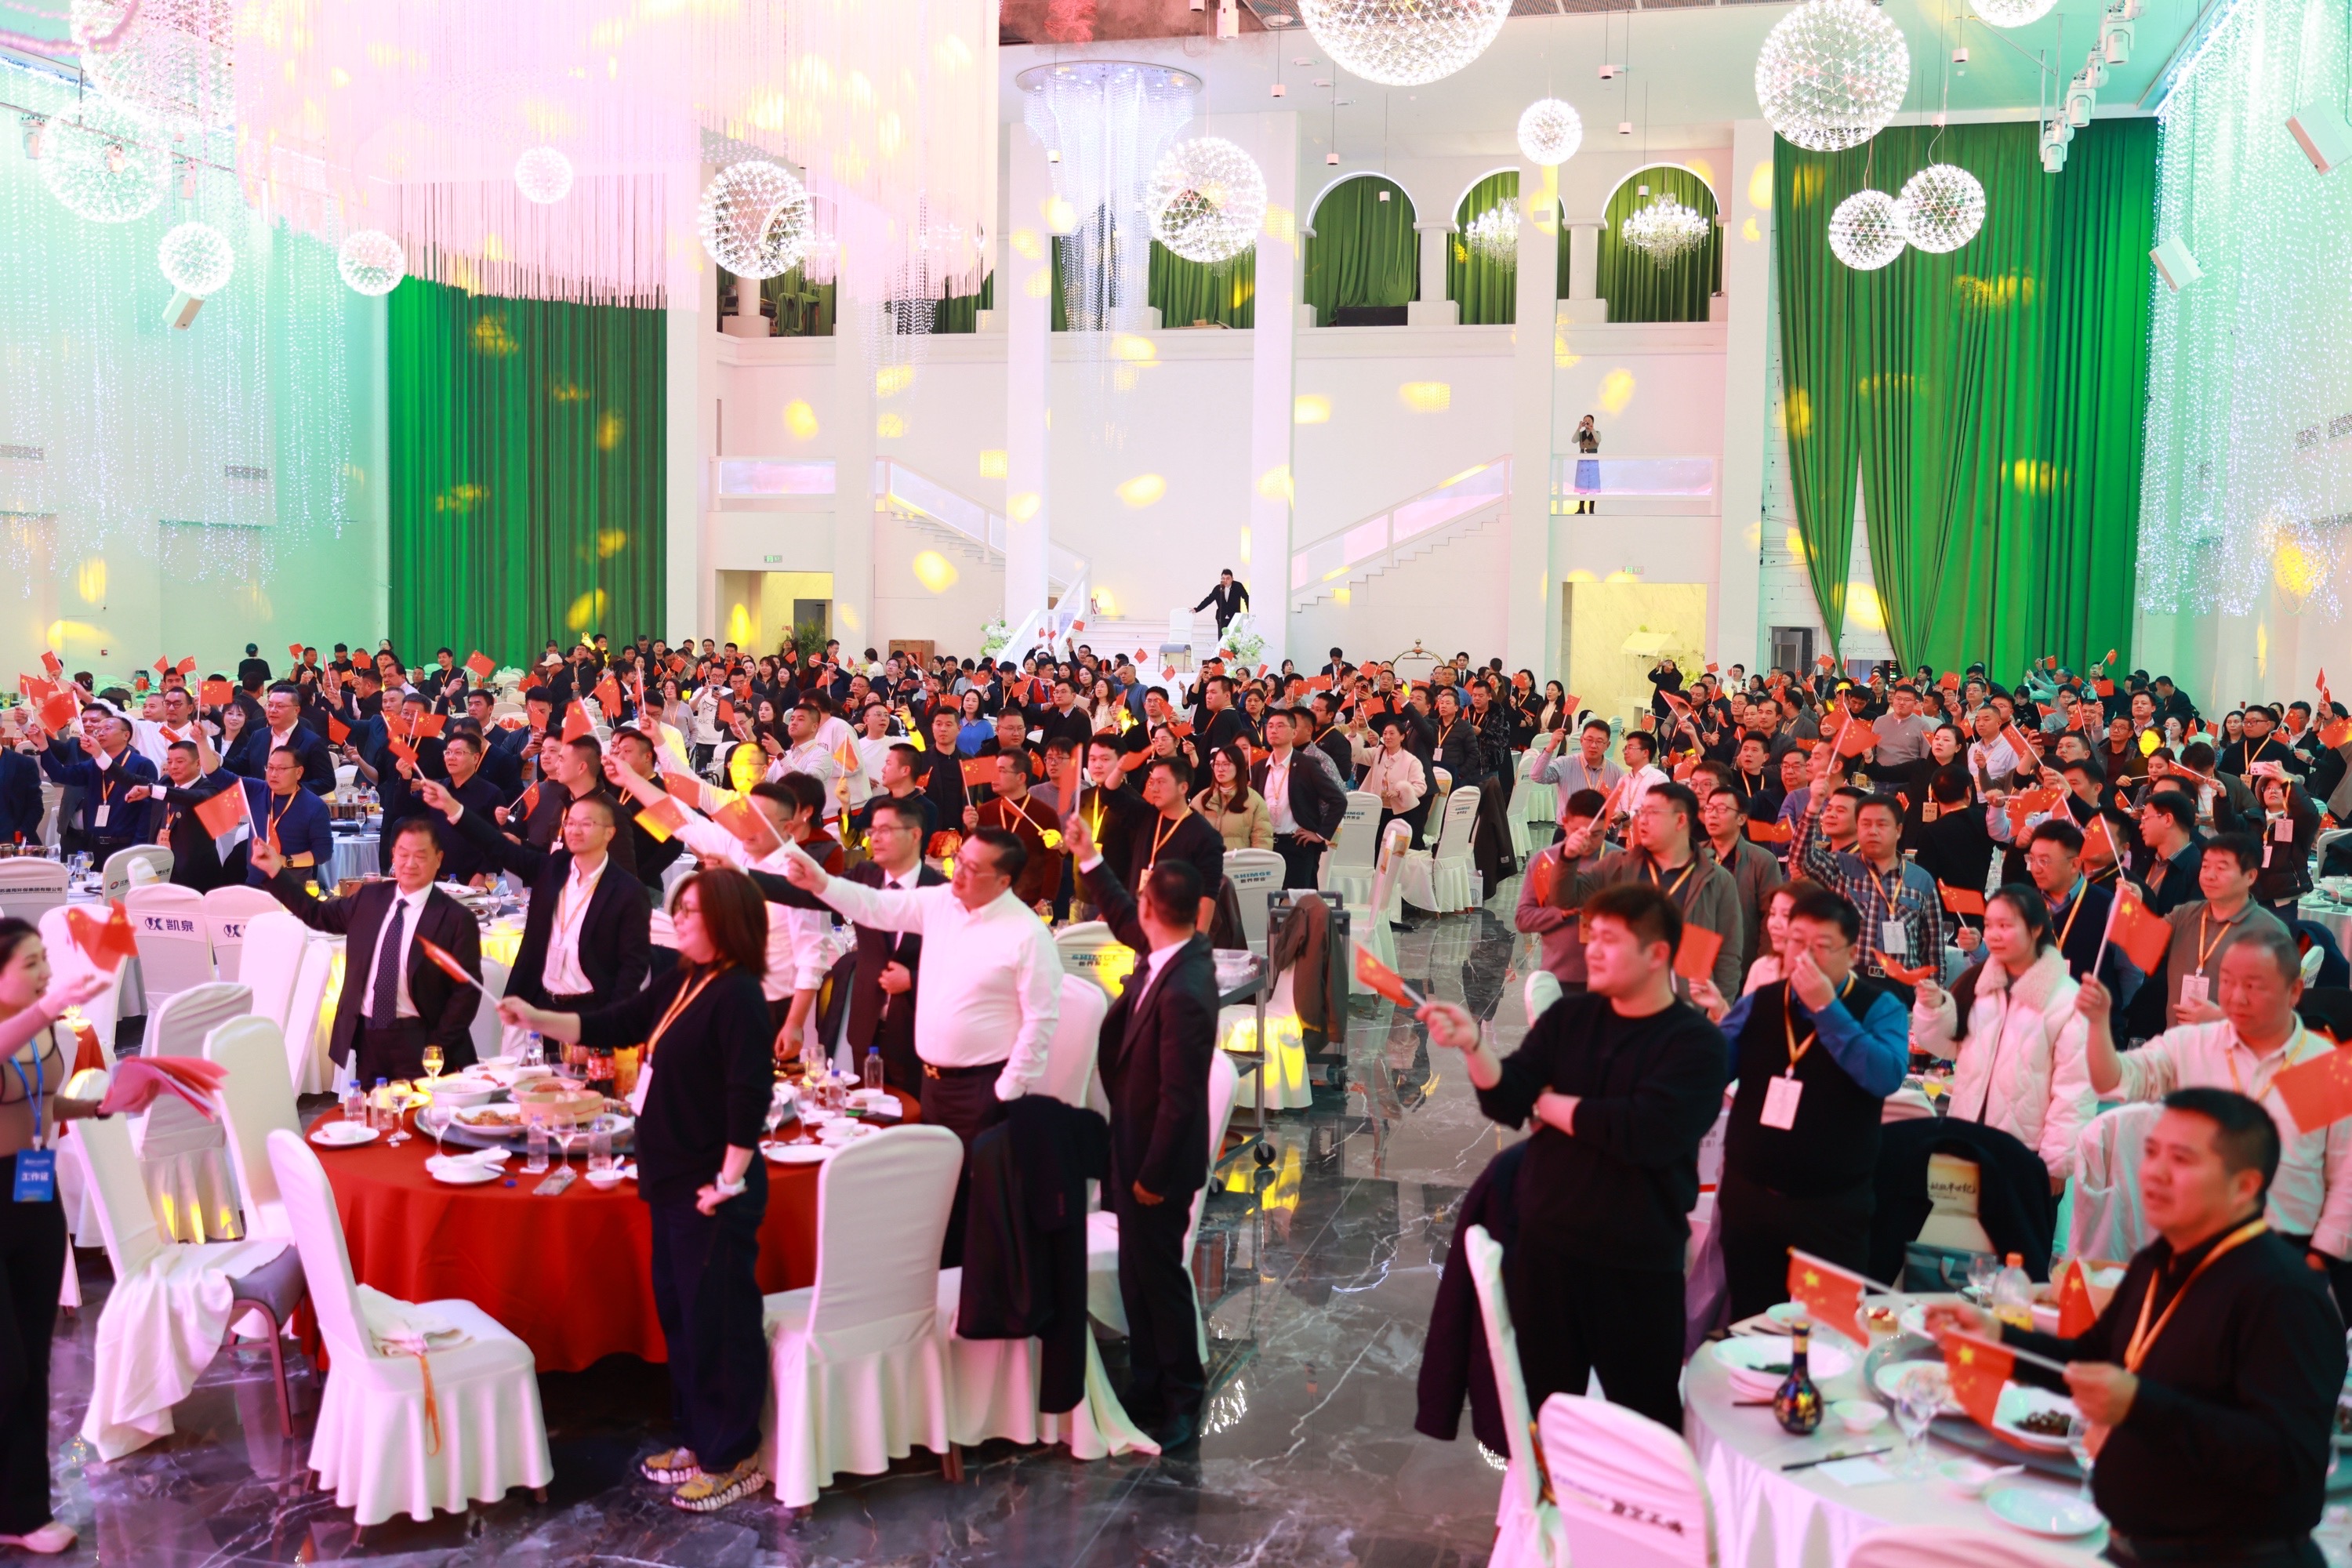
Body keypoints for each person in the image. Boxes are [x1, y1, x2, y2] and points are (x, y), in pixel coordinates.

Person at [1930, 1089, 2343, 1567]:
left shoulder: (2284, 1294)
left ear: (2245, 1186)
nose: (2154, 1173)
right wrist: (1998, 1338)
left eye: (2182, 1159)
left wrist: (2140, 1405)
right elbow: (2093, 1358)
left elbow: (2291, 1460)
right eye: (2151, 1152)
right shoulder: (2157, 1262)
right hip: (2134, 1547)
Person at [498, 869, 775, 1512]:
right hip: (672, 1177)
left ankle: (734, 1456)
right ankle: (699, 1439)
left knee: (719, 1321)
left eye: (693, 912)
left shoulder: (738, 993)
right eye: (680, 909)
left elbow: (748, 1095)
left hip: (713, 1186)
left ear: (728, 921)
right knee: (682, 1315)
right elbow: (619, 1022)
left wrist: (728, 1181)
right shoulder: (684, 980)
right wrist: (537, 1016)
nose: (679, 920)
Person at [1418, 882, 1728, 1431]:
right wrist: (1474, 1047)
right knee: (1545, 1410)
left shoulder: (1695, 1043)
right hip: (1549, 1242)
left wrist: (1549, 1104)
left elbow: (1643, 1132)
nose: (1593, 951)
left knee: (1645, 1414)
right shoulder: (1572, 1019)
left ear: (1657, 954)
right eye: (1592, 937)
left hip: (1637, 1253)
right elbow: (1507, 1097)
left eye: (1610, 940)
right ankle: (1545, 1487)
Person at [776, 826, 1061, 1263]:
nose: (958, 873)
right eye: (959, 861)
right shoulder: (944, 902)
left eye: (972, 868)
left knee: (978, 1199)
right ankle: (938, 1281)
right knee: (938, 1192)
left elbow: (1041, 1021)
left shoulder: (1025, 933)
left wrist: (1008, 1090)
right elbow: (877, 906)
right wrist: (822, 882)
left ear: (1003, 880)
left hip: (984, 1087)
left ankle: (977, 1288)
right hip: (933, 1081)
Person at [2080, 926, 2352, 1311]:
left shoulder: (2322, 1066)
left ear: (2294, 992)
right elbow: (2113, 1079)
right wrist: (2097, 1024)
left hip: (2287, 1255)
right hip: (2196, 1246)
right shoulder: (2195, 1044)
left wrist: (2318, 1261)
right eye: (2227, 981)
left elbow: (2346, 1176)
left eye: (2253, 986)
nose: (2236, 997)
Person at [1064, 817, 1218, 1448]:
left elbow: (1180, 1101)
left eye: (1143, 894)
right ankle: (1150, 1381)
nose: (1137, 905)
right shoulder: (1169, 946)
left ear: (1157, 908)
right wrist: (1089, 856)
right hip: (1132, 1142)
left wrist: (1151, 1175)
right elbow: (1123, 918)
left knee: (1160, 1278)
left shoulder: (1185, 990)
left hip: (1161, 1160)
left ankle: (1182, 1394)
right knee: (1136, 1273)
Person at [1712, 884, 1911, 1322]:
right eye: (1796, 942)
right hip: (1751, 1200)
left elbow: (1884, 1075)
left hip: (1830, 1209)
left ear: (1852, 953)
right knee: (1750, 1325)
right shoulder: (1762, 1002)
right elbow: (1711, 1071)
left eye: (1821, 946)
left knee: (1828, 1331)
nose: (1804, 956)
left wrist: (1827, 1009)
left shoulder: (1880, 1007)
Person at [247, 818, 481, 1081]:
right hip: (369, 1039)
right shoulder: (371, 898)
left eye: (420, 856)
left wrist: (436, 1044)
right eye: (403, 854)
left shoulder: (456, 919)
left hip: (421, 1040)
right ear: (393, 855)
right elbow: (317, 914)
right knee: (372, 1107)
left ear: (438, 859)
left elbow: (466, 993)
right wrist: (275, 871)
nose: (410, 864)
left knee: (419, 1108)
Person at [1911, 886, 2094, 1196]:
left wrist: (2057, 1162)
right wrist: (1934, 1009)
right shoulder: (1979, 983)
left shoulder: (2066, 999)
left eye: (2005, 925)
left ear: (2036, 929)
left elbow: (2075, 1090)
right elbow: (1947, 1048)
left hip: (2024, 1152)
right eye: (1989, 925)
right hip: (1966, 1138)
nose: (1993, 935)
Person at [423, 782, 650, 1022]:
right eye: (570, 823)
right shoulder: (553, 868)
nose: (575, 830)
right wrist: (452, 807)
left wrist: (609, 1026)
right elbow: (497, 845)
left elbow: (632, 968)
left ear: (609, 833)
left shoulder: (628, 891)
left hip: (590, 1012)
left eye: (587, 824)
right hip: (539, 1004)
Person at [1548, 781, 1744, 1000]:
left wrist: (1719, 1008)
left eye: (1652, 813)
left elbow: (1728, 954)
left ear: (1680, 820)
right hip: (1622, 998)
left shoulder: (1715, 879)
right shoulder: (1619, 865)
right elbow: (1564, 899)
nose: (1642, 820)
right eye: (1641, 812)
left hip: (1685, 1004)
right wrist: (1568, 859)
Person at [1795, 745, 1944, 1004]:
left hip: (1901, 986)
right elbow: (1802, 858)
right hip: (1849, 979)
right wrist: (1814, 806)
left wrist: (1931, 999)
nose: (1872, 831)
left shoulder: (1921, 880)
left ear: (1898, 830)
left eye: (1881, 824)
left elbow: (1933, 948)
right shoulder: (1841, 867)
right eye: (1865, 824)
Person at [33, 710, 158, 868]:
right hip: (94, 845)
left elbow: (149, 811)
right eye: (98, 731)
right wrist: (43, 745)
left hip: (127, 845)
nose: (100, 733)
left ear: (126, 735)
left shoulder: (142, 764)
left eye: (107, 728)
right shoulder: (94, 764)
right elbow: (61, 774)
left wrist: (139, 847)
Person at [1515, 789, 1608, 993]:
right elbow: (1523, 919)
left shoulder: (1620, 860)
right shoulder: (1545, 861)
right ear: (1565, 823)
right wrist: (1562, 912)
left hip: (1610, 978)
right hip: (1559, 977)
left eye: (1596, 834)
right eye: (1579, 832)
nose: (1587, 842)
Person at [1699, 780, 1784, 987]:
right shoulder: (1693, 855)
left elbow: (1770, 918)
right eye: (1709, 808)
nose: (1712, 815)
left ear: (1741, 818)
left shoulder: (1763, 861)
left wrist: (1762, 968)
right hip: (1698, 965)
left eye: (1721, 809)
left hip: (1742, 965)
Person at [1254, 708, 1345, 890]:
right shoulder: (1259, 767)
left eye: (1280, 726)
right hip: (1267, 844)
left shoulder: (1307, 764)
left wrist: (1320, 834)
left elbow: (1338, 799)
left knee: (1298, 900)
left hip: (1297, 844)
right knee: (1268, 899)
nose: (1273, 730)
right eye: (1270, 726)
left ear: (1293, 732)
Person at [1193, 745, 1271, 852]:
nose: (1220, 769)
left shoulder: (1254, 801)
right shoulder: (1201, 799)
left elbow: (1262, 843)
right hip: (1207, 862)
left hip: (1239, 862)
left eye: (1226, 764)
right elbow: (1189, 836)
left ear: (1238, 767)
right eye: (1217, 764)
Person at [1192, 568, 1249, 637]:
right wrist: (1197, 609)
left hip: (1234, 617)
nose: (1225, 581)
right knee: (1222, 639)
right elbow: (1208, 600)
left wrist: (1249, 612)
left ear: (1232, 579)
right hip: (1221, 618)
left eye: (1228, 578)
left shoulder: (1238, 586)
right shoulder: (1218, 588)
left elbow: (1246, 598)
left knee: (1234, 638)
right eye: (1223, 578)